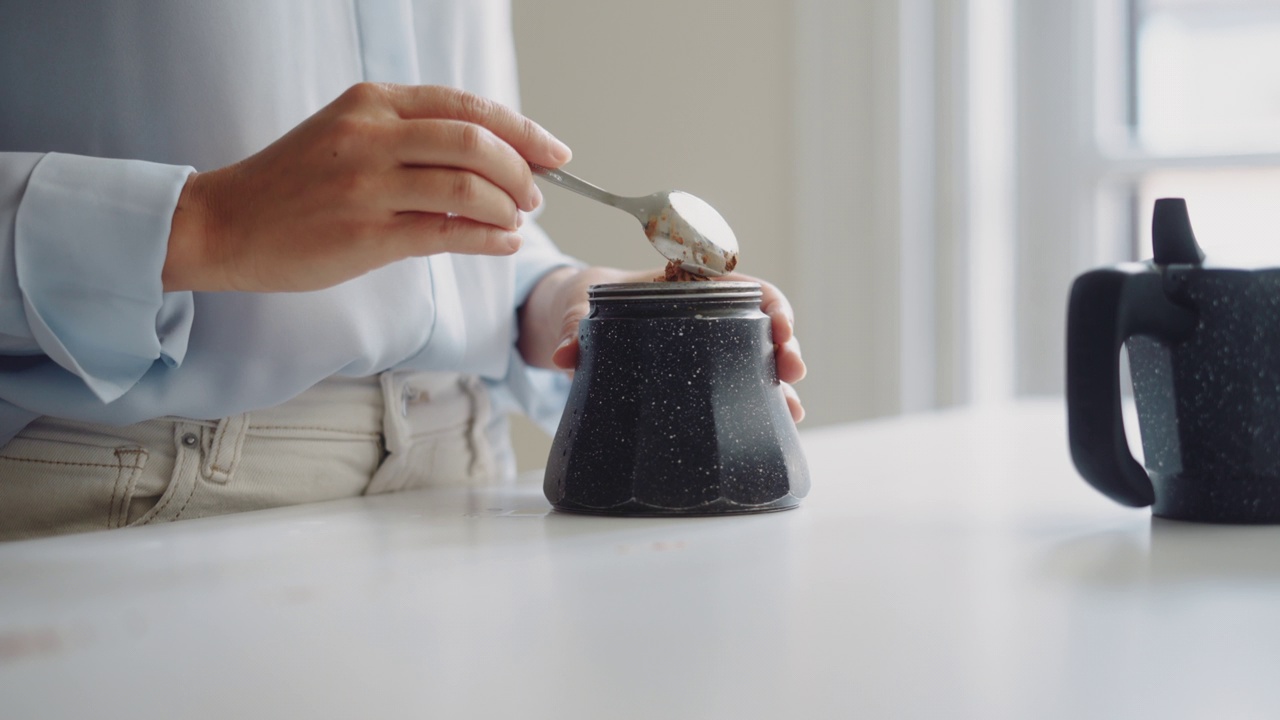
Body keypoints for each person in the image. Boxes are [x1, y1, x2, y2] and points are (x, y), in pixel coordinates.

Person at [0, 1, 805, 540]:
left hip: (464, 483)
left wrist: (560, 299)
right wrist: (212, 223)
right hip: (133, 502)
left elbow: (434, 239)